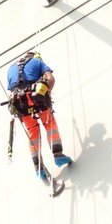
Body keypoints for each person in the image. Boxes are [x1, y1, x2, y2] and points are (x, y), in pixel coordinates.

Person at [7, 51, 73, 181]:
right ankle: (58, 154)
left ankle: (38, 167)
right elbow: (50, 79)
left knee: (33, 132)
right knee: (49, 123)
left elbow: (12, 90)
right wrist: (46, 91)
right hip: (38, 99)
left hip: (20, 104)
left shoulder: (10, 69)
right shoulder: (37, 62)